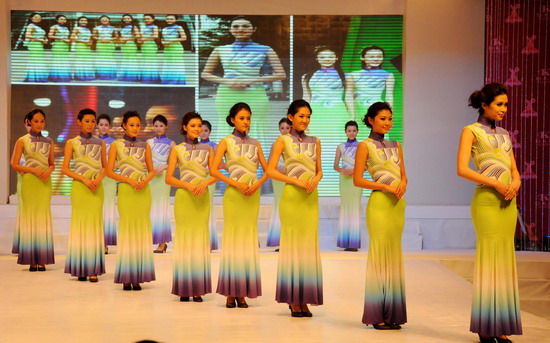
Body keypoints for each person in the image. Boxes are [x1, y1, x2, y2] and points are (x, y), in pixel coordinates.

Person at [457, 83, 522, 343]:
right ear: (484, 104)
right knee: (489, 259)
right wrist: (495, 182)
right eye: (499, 104)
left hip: (508, 202)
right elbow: (462, 169)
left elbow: (513, 168)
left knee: (505, 260)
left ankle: (501, 325)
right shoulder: (470, 131)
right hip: (486, 200)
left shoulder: (505, 133)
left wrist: (516, 182)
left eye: (506, 104)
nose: (504, 109)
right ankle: (486, 326)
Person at [353, 102, 407, 330]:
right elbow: (357, 180)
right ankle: (377, 315)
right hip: (379, 204)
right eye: (382, 118)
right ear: (371, 120)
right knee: (379, 257)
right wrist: (385, 187)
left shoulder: (397, 145)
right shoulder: (365, 146)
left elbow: (404, 175)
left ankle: (393, 312)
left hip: (398, 205)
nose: (387, 122)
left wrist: (402, 184)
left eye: (389, 118)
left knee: (394, 257)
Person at [267, 99, 323, 318]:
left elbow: (319, 171)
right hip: (292, 196)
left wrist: (315, 179)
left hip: (310, 198)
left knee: (308, 247)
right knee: (292, 246)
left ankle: (305, 298)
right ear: (290, 117)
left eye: (308, 116)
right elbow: (271, 171)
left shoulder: (316, 141)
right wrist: (296, 181)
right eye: (301, 116)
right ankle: (293, 299)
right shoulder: (282, 141)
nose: (305, 120)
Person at [210, 102, 268, 309]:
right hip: (234, 195)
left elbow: (267, 170)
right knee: (234, 241)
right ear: (233, 119)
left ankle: (242, 292)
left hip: (252, 196)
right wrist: (236, 183)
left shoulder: (256, 143)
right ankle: (230, 291)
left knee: (247, 241)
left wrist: (256, 185)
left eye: (249, 118)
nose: (246, 122)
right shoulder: (226, 142)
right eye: (242, 118)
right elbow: (214, 170)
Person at [201, 16, 286, 142]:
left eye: (245, 26)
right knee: (227, 125)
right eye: (236, 26)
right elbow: (205, 74)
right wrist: (228, 81)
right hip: (227, 95)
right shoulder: (220, 50)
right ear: (230, 30)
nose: (240, 29)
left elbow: (281, 74)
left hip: (255, 95)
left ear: (254, 29)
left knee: (255, 125)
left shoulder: (266, 49)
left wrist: (253, 80)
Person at [166, 111, 216, 302]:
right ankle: (184, 287)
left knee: (199, 240)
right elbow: (169, 178)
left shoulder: (208, 149)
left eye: (199, 126)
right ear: (185, 127)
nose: (197, 129)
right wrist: (187, 185)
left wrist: (204, 183)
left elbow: (214, 174)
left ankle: (198, 288)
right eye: (193, 126)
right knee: (185, 240)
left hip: (201, 198)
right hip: (184, 198)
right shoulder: (177, 149)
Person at [106, 111, 156, 291]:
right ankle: (127, 275)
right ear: (124, 126)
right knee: (128, 231)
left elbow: (151, 170)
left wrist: (145, 180)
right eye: (132, 125)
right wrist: (129, 180)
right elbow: (110, 171)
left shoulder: (145, 146)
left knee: (141, 231)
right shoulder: (116, 146)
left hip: (143, 192)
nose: (135, 128)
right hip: (127, 191)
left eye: (137, 125)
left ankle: (138, 276)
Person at [62, 109, 106, 282]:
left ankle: (93, 268)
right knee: (80, 225)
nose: (90, 124)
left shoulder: (100, 143)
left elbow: (106, 167)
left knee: (94, 226)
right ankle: (80, 267)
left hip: (96, 188)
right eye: (87, 121)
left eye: (92, 121)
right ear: (79, 122)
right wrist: (84, 180)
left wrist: (98, 179)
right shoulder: (71, 142)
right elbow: (65, 168)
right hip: (80, 188)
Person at [10, 109, 55, 271]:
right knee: (30, 218)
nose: (39, 124)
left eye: (42, 121)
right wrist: (33, 170)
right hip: (29, 182)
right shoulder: (22, 140)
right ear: (29, 122)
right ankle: (31, 258)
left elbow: (52, 164)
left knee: (43, 218)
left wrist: (48, 171)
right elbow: (14, 164)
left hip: (44, 183)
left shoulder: (49, 141)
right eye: (36, 121)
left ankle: (41, 258)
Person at [146, 115, 175, 253]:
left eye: (161, 126)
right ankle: (153, 239)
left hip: (163, 178)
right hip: (151, 177)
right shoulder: (148, 142)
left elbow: (177, 163)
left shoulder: (171, 143)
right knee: (151, 208)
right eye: (156, 126)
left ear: (166, 126)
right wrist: (151, 169)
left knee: (162, 209)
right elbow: (144, 160)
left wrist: (163, 167)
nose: (158, 128)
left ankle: (162, 243)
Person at [346, 46, 394, 120]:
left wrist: (389, 115)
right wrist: (352, 116)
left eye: (379, 56)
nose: (376, 59)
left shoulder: (388, 75)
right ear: (362, 58)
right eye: (371, 57)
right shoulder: (353, 75)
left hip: (377, 109)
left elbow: (389, 96)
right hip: (357, 108)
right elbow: (349, 96)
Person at [334, 121, 362, 251]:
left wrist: (355, 171)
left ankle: (354, 243)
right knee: (345, 207)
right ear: (345, 131)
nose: (351, 133)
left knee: (355, 207)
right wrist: (343, 170)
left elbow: (366, 166)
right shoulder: (340, 147)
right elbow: (335, 166)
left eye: (354, 130)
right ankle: (345, 242)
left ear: (357, 131)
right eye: (349, 130)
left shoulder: (362, 146)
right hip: (344, 180)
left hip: (356, 180)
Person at [266, 117, 291, 250]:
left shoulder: (295, 144)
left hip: (291, 178)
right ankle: (280, 241)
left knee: (290, 207)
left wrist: (289, 170)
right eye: (282, 128)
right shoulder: (275, 144)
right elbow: (270, 163)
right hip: (277, 178)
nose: (285, 130)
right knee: (279, 205)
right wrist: (279, 170)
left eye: (287, 128)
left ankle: (290, 241)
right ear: (279, 129)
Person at [11, 116, 32, 254]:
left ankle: (32, 242)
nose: (31, 126)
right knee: (24, 211)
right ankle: (23, 244)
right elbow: (13, 162)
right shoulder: (21, 141)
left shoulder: (44, 142)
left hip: (38, 182)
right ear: (25, 125)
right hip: (23, 180)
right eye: (28, 124)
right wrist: (24, 172)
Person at [97, 114, 118, 253]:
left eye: (106, 125)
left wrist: (107, 168)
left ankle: (105, 242)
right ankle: (97, 240)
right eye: (101, 124)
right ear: (97, 126)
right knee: (97, 209)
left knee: (108, 209)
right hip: (95, 178)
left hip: (109, 179)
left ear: (109, 126)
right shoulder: (91, 141)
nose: (103, 127)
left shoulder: (115, 143)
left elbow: (118, 161)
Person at [200, 120, 219, 251]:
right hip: (197, 178)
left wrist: (209, 170)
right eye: (201, 130)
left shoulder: (214, 146)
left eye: (206, 130)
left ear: (210, 132)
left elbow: (218, 164)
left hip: (210, 178)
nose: (203, 133)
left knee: (208, 206)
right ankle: (200, 240)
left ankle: (209, 242)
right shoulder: (193, 145)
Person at [160, 15, 187, 85]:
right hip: (167, 48)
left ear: (175, 20)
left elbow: (184, 38)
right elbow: (162, 38)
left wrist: (171, 41)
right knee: (168, 63)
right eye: (168, 19)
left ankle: (177, 81)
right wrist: (162, 42)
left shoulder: (179, 28)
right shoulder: (164, 29)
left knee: (176, 64)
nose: (169, 20)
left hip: (176, 48)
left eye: (171, 19)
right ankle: (168, 80)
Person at [24, 13, 48, 82]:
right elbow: (27, 35)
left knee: (39, 60)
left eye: (39, 17)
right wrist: (40, 39)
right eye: (36, 17)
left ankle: (39, 76)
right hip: (34, 44)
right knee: (35, 59)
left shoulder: (38, 27)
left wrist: (45, 39)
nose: (38, 18)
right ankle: (34, 77)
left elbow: (43, 36)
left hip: (39, 45)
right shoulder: (30, 26)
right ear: (31, 18)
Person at [48, 15, 71, 82]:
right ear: (57, 20)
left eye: (64, 19)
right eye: (61, 19)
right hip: (58, 45)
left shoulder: (66, 28)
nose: (63, 20)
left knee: (64, 60)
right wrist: (62, 39)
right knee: (57, 60)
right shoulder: (54, 27)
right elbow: (50, 35)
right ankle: (56, 77)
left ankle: (64, 76)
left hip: (65, 46)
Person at [71, 16, 95, 81]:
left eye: (85, 20)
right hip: (80, 46)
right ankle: (80, 76)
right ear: (79, 21)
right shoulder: (76, 28)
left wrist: (90, 42)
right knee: (80, 60)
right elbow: (72, 38)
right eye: (81, 20)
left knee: (87, 60)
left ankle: (87, 75)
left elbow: (90, 38)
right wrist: (84, 42)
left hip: (87, 47)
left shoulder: (88, 29)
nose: (83, 22)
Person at [118, 14, 141, 82]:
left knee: (131, 60)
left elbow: (137, 36)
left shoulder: (134, 27)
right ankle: (125, 75)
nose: (126, 20)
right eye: (125, 19)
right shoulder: (122, 27)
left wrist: (127, 39)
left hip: (131, 45)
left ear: (131, 19)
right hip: (124, 45)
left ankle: (133, 76)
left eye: (128, 18)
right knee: (125, 59)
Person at [93, 15, 117, 80]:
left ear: (109, 20)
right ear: (100, 20)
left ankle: (110, 75)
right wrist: (100, 39)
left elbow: (117, 37)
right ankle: (100, 75)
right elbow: (93, 36)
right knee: (101, 59)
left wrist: (110, 39)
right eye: (103, 19)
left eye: (106, 19)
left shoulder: (113, 28)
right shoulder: (96, 28)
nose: (104, 20)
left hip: (110, 44)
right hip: (101, 44)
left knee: (110, 59)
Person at [140, 14, 160, 83]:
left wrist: (144, 39)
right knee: (146, 60)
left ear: (153, 19)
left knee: (151, 60)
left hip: (151, 45)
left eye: (148, 19)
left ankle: (152, 78)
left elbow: (155, 36)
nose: (146, 20)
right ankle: (146, 77)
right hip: (144, 45)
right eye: (145, 19)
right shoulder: (143, 27)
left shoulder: (154, 27)